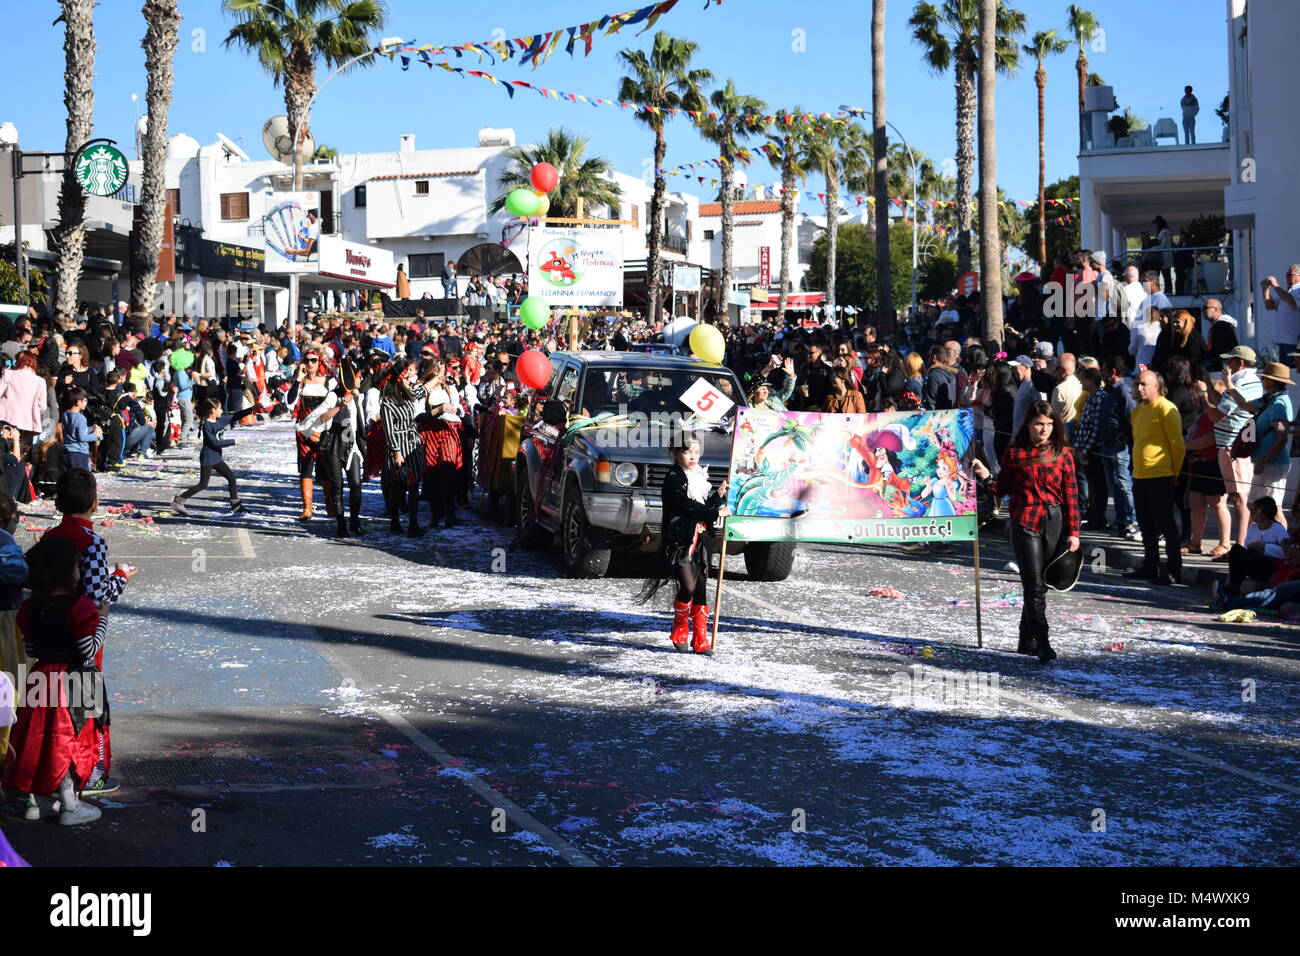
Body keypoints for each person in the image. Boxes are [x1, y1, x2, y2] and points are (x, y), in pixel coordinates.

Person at [1, 536, 113, 825]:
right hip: (75, 681)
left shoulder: (30, 608)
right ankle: (68, 805)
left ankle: (32, 802)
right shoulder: (81, 607)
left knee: (36, 740)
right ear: (68, 572)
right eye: (77, 565)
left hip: (41, 677)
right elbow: (87, 650)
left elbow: (32, 649)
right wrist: (103, 620)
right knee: (70, 741)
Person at [970, 401, 1079, 663]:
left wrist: (1074, 532)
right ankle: (1043, 642)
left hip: (1054, 522)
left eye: (1049, 424)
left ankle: (1024, 639)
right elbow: (1001, 489)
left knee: (1043, 585)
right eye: (1039, 423)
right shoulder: (1016, 452)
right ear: (1029, 424)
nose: (1044, 429)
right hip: (1024, 523)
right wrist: (985, 476)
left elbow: (1072, 496)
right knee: (1034, 586)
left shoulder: (1063, 453)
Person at [637, 434, 729, 655]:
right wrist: (715, 512)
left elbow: (701, 505)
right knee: (687, 586)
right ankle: (679, 627)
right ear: (676, 453)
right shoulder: (673, 479)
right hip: (679, 541)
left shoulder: (698, 476)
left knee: (700, 590)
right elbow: (686, 505)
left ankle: (700, 639)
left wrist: (718, 495)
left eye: (696, 452)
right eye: (688, 452)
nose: (693, 456)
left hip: (700, 540)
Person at [1126, 370, 1186, 585]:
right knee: (1146, 524)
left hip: (1161, 474)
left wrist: (1176, 473)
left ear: (1156, 386)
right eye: (1137, 384)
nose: (1139, 388)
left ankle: (1173, 569)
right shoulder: (1138, 411)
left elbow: (1177, 444)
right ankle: (1150, 566)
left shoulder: (1167, 408)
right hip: (1140, 474)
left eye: (1144, 384)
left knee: (1166, 523)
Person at [1208, 345, 1262, 552]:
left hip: (1234, 449)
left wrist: (1204, 399)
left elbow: (1217, 414)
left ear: (1239, 363)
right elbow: (1223, 404)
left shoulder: (1241, 383)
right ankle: (1240, 545)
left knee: (1240, 498)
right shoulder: (1243, 381)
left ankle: (1239, 546)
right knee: (1239, 497)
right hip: (1232, 446)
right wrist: (1209, 385)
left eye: (1229, 360)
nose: (1226, 364)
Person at [170, 398, 246, 517]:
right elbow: (214, 443)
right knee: (203, 484)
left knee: (231, 478)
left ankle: (236, 506)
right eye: (219, 408)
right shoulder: (207, 426)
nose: (222, 410)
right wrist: (233, 441)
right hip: (208, 457)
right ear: (213, 410)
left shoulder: (220, 420)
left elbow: (236, 415)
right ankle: (178, 501)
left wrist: (253, 409)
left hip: (216, 457)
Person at [1184, 371, 1231, 557]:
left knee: (1217, 503)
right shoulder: (1203, 415)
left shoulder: (1217, 417)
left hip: (1213, 463)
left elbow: (1210, 439)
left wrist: (1184, 445)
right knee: (1196, 502)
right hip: (1198, 463)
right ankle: (1195, 542)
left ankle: (1225, 543)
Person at [0, 492, 26, 775]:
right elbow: (19, 573)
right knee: (8, 689)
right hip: (4, 621)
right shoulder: (4, 541)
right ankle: (6, 754)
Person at [1222, 496, 1288, 596]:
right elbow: (1246, 548)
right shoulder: (1253, 527)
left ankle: (1232, 590)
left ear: (1265, 513)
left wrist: (1264, 546)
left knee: (1246, 556)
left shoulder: (1278, 529)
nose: (1251, 514)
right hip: (1255, 563)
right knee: (1236, 549)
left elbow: (1286, 553)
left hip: (1269, 567)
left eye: (1254, 511)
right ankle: (1233, 588)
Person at [1261, 264, 1300, 357]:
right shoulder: (1289, 291)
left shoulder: (1298, 290)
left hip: (1293, 340)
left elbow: (1292, 301)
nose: (1287, 277)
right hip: (1283, 340)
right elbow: (1270, 306)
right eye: (1286, 274)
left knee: (1292, 370)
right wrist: (1265, 289)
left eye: (1290, 275)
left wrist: (1275, 285)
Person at [59, 387, 101, 472]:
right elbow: (82, 438)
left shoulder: (65, 414)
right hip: (79, 453)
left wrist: (90, 429)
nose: (86, 403)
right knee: (80, 479)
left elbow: (74, 431)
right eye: (85, 401)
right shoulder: (80, 418)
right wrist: (95, 434)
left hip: (67, 451)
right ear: (78, 402)